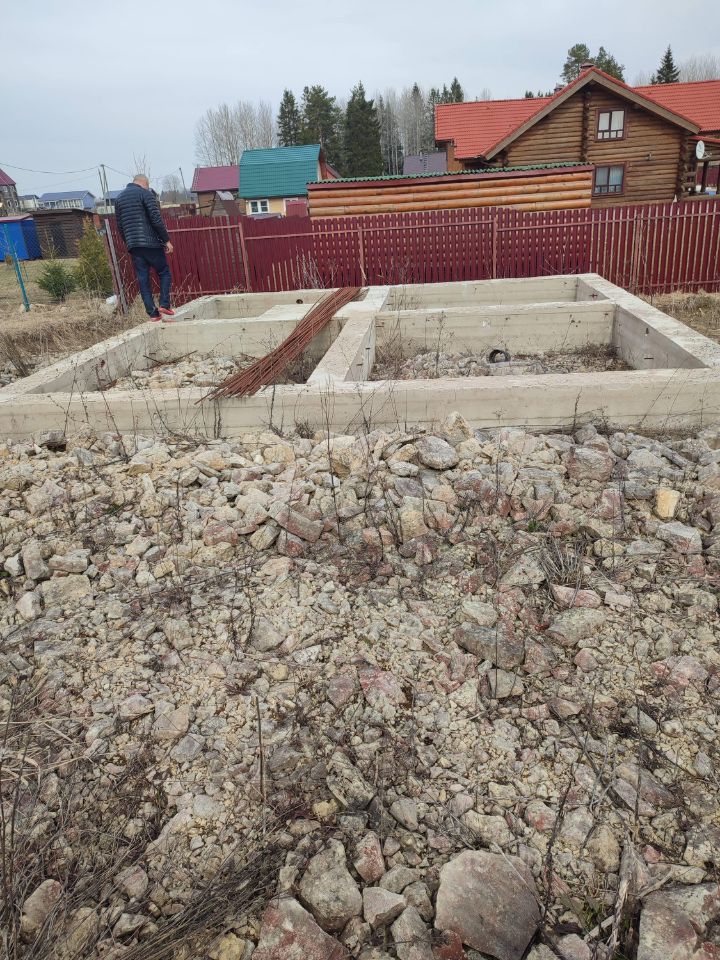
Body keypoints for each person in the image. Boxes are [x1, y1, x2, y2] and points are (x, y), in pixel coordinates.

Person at [115, 175, 175, 320]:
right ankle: (164, 304)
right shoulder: (145, 194)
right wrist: (166, 240)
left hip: (134, 246)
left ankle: (152, 313)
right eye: (148, 185)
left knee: (143, 278)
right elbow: (155, 219)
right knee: (164, 272)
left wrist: (129, 243)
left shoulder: (119, 199)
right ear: (145, 183)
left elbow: (120, 225)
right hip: (151, 243)